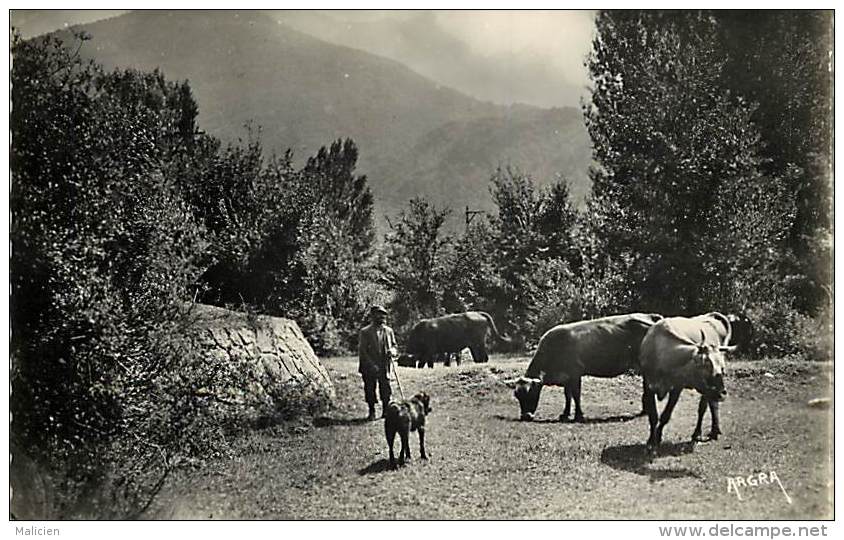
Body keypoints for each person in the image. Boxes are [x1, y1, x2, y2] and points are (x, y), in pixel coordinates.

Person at [358, 305, 398, 420]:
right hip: (369, 366)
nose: (381, 317)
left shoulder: (389, 331)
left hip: (384, 365)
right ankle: (372, 411)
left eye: (383, 315)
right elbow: (363, 351)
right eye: (379, 314)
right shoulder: (365, 332)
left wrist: (393, 351)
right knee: (370, 389)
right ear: (372, 316)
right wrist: (371, 365)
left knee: (386, 388)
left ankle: (386, 411)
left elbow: (395, 345)